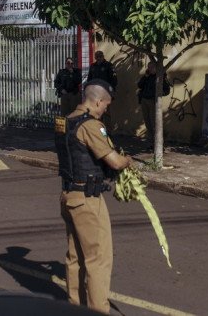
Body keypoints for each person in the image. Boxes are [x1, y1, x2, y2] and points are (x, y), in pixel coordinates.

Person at [54, 79, 132, 314]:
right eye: (105, 106)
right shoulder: (90, 126)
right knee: (98, 261)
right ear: (98, 101)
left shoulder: (63, 121)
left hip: (68, 195)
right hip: (87, 200)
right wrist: (128, 160)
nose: (105, 110)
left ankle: (75, 307)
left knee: (74, 257)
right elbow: (115, 162)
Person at [137, 61, 171, 142]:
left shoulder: (161, 77)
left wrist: (158, 94)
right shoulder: (147, 76)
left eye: (152, 67)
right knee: (147, 122)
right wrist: (145, 76)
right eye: (148, 67)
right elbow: (139, 85)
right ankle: (151, 142)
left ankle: (158, 144)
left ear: (156, 68)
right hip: (144, 100)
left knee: (154, 123)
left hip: (153, 101)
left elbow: (167, 90)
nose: (149, 69)